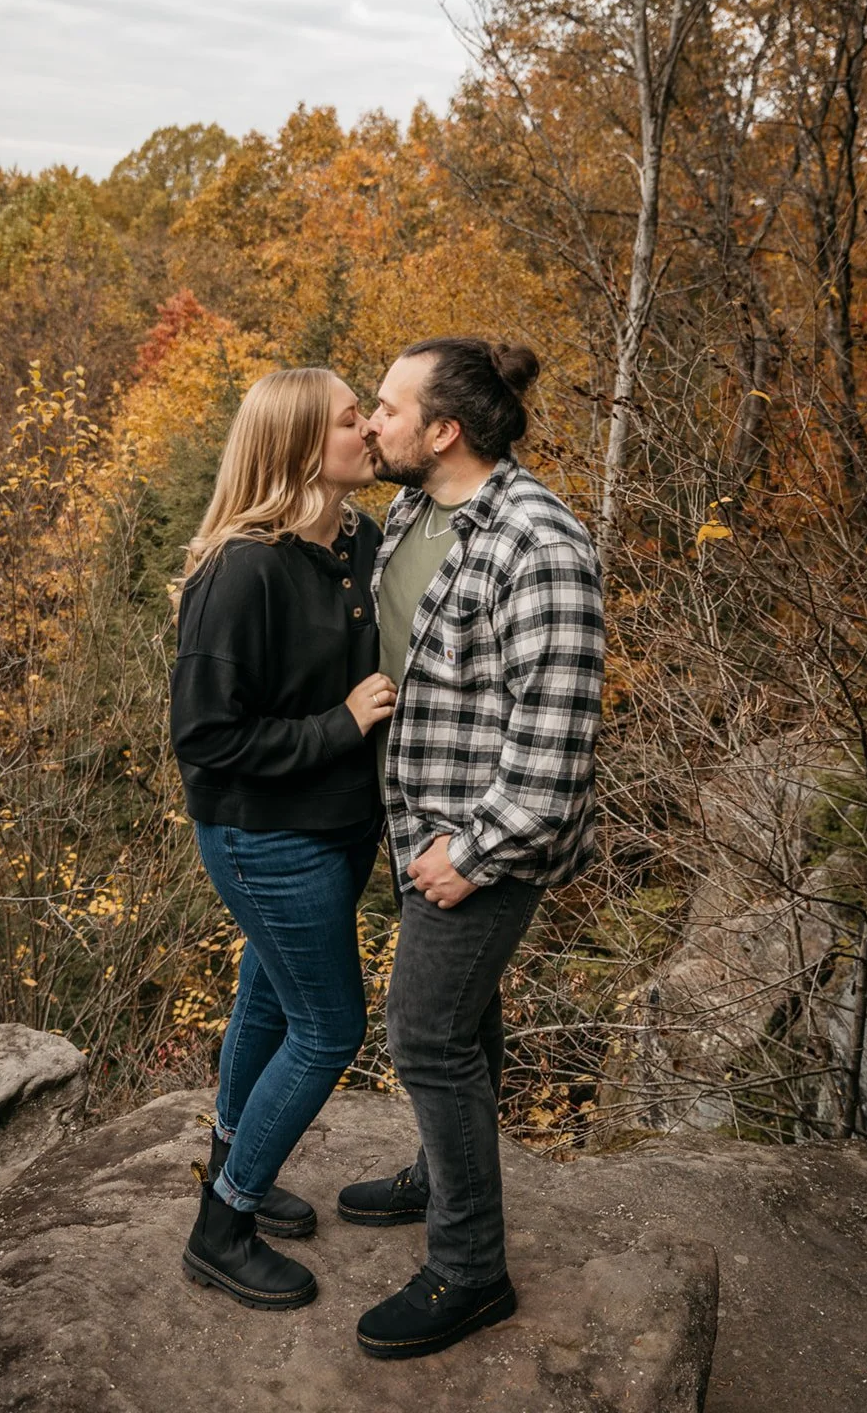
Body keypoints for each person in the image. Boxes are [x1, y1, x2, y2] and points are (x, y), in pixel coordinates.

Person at [340, 337, 605, 1359]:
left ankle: (470, 1268)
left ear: (444, 430)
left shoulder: (540, 541)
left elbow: (554, 744)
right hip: (416, 823)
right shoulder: (415, 512)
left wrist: (474, 852)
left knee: (424, 1032)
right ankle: (439, 1170)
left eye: (387, 407)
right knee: (465, 1018)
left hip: (482, 843)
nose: (372, 420)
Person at [170, 366, 396, 1311]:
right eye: (350, 420)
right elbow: (205, 738)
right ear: (302, 445)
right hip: (265, 838)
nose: (370, 429)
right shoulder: (242, 569)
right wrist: (337, 727)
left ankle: (240, 1168)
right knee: (329, 1028)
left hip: (339, 829)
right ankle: (222, 1226)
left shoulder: (359, 541)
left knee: (266, 1002)